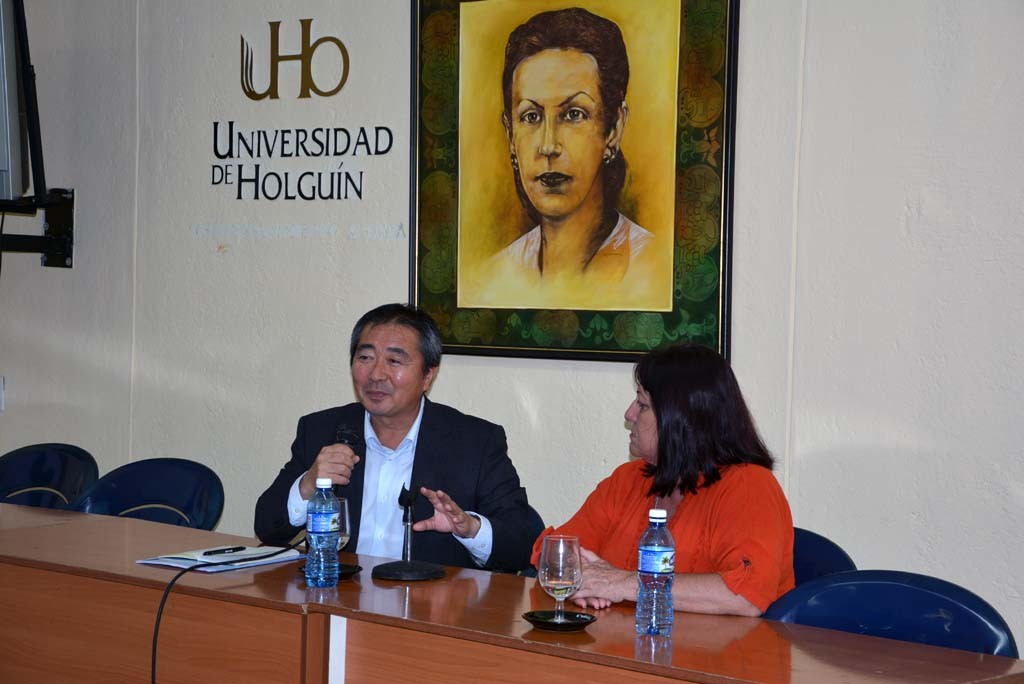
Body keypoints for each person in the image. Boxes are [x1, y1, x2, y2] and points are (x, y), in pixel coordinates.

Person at [255, 303, 542, 572]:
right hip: (337, 602)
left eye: (394, 361)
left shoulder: (475, 442)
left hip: (431, 612)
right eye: (365, 358)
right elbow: (268, 528)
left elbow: (521, 542)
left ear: (427, 375)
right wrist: (308, 485)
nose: (376, 374)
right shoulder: (321, 430)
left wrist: (470, 528)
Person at [531, 344, 794, 616]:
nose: (629, 414)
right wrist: (580, 582)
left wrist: (621, 583)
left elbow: (744, 596)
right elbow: (553, 553)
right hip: (621, 649)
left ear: (682, 419)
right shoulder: (628, 480)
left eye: (642, 404)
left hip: (714, 656)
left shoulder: (749, 486)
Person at [470, 7, 657, 308]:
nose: (548, 146)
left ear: (613, 128)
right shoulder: (492, 277)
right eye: (531, 116)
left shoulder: (651, 267)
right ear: (510, 135)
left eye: (573, 114)